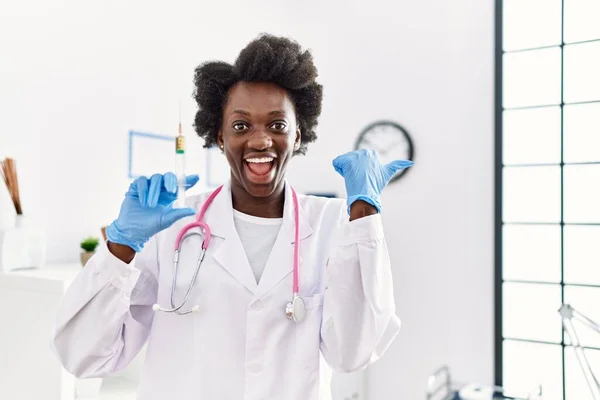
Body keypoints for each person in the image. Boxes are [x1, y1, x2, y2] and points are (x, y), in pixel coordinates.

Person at [51, 33, 413, 400]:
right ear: (219, 137)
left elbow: (353, 353)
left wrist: (365, 213)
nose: (260, 141)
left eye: (277, 125)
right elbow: (85, 357)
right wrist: (121, 245)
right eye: (241, 126)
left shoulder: (335, 225)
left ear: (298, 136)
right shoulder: (173, 226)